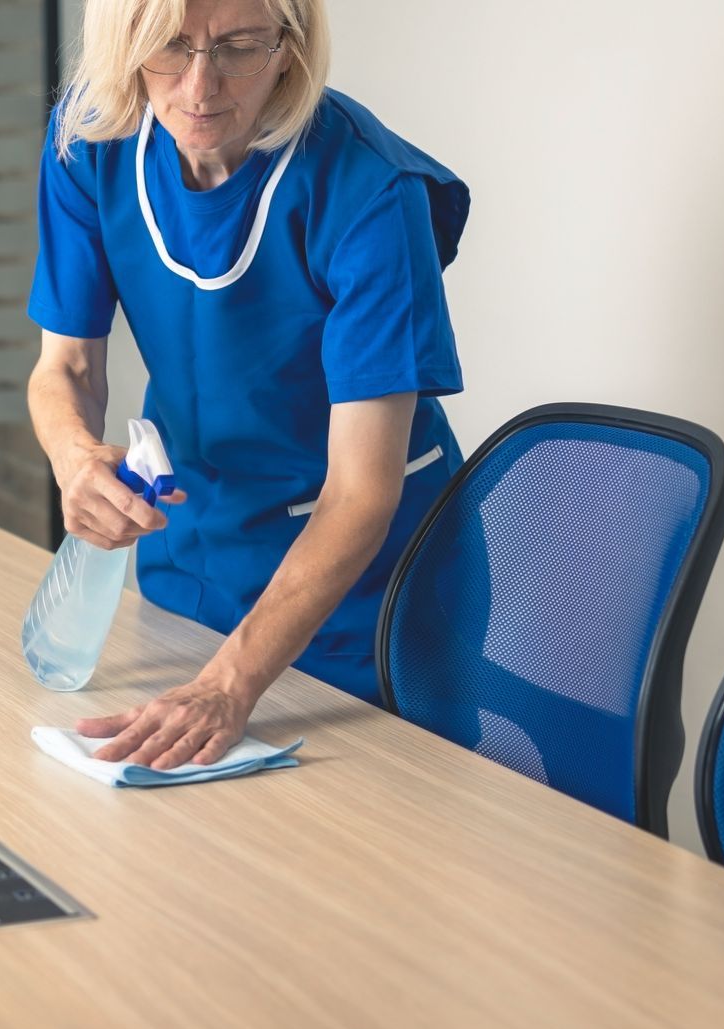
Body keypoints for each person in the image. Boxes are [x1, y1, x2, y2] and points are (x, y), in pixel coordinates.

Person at [29, 0, 469, 766]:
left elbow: (361, 493)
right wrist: (75, 459)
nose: (200, 86)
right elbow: (65, 366)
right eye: (169, 46)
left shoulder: (369, 191)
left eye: (238, 47)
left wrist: (232, 682)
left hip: (364, 603)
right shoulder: (92, 140)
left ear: (290, 48)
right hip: (193, 564)